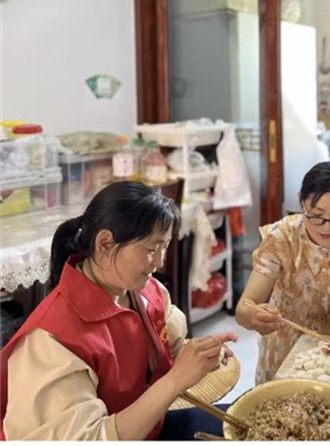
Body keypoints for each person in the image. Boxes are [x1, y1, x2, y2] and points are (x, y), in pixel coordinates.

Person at [0, 182, 238, 440]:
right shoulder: (52, 338)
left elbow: (170, 349)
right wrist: (176, 381)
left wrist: (200, 355)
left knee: (243, 425)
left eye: (164, 247)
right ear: (104, 243)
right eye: (150, 249)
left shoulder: (144, 290)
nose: (160, 262)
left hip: (147, 428)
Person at [235, 161, 330, 384]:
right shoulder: (281, 238)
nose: (327, 227)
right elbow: (244, 306)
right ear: (301, 201)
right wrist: (252, 317)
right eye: (316, 215)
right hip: (290, 344)